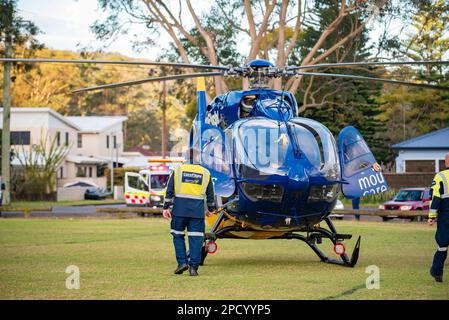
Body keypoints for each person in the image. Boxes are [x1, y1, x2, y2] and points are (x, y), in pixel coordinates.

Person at [162, 159, 216, 277]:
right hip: (197, 212)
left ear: (186, 159)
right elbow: (211, 194)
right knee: (196, 239)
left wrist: (166, 207)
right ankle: (193, 268)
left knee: (178, 236)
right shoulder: (206, 172)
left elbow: (169, 190)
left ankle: (182, 263)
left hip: (179, 211)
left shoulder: (178, 170)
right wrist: (211, 209)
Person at [428, 153, 449, 283]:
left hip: (445, 217)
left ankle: (437, 272)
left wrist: (431, 216)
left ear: (446, 162)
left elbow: (435, 198)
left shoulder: (440, 176)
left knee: (442, 245)